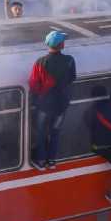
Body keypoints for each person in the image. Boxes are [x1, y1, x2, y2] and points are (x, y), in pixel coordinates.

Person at [29, 31, 77, 170]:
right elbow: (72, 78)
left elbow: (33, 84)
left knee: (41, 132)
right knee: (55, 132)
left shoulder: (40, 62)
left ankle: (41, 160)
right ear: (61, 45)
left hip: (44, 104)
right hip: (61, 104)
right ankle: (52, 161)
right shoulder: (69, 60)